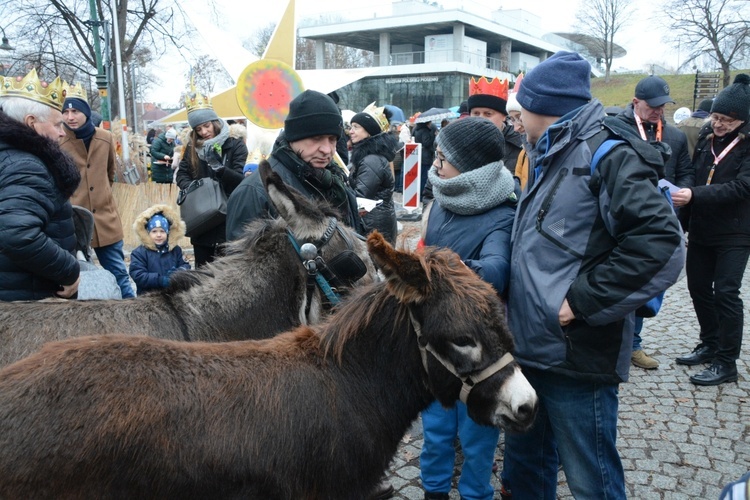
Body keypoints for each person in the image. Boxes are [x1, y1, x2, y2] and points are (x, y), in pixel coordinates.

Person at [503, 51, 684, 499]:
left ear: (540, 106)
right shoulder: (546, 150)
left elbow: (661, 245)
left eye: (520, 106)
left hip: (578, 357)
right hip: (529, 351)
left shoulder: (608, 154)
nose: (516, 115)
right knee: (525, 475)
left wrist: (579, 303)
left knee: (592, 482)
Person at [418, 117, 518, 500]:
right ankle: (434, 491)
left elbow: (496, 270)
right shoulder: (441, 200)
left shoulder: (503, 213)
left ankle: (477, 493)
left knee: (478, 435)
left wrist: (442, 267)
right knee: (436, 429)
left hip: (481, 351)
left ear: (470, 164)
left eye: (443, 156)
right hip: (438, 342)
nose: (436, 163)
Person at [673, 74, 750, 386]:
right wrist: (682, 221)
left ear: (742, 120)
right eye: (716, 117)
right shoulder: (707, 137)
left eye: (726, 120)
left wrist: (695, 195)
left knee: (727, 293)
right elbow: (694, 175)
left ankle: (726, 361)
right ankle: (710, 342)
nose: (718, 124)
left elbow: (742, 186)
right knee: (699, 288)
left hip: (736, 231)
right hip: (703, 228)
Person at [614, 74, 694, 370]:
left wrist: (685, 191)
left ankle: (633, 344)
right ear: (636, 102)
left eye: (664, 105)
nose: (659, 111)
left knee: (648, 286)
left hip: (660, 221)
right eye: (653, 106)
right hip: (625, 220)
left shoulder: (674, 136)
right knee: (624, 280)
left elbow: (685, 170)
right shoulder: (617, 129)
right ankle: (619, 344)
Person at [225, 90, 362, 241]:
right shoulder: (254, 192)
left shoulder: (334, 180)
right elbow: (244, 261)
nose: (327, 149)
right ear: (293, 137)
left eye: (332, 139)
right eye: (316, 138)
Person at [0, 69, 81, 301]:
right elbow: (17, 234)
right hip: (26, 300)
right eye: (57, 125)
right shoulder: (25, 165)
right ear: (32, 123)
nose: (62, 133)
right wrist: (69, 271)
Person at [59, 83, 135, 299]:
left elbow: (109, 173)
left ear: (86, 112)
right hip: (73, 221)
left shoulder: (105, 138)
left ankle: (132, 313)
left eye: (75, 111)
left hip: (105, 219)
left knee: (119, 272)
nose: (70, 116)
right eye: (65, 111)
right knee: (78, 277)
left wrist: (101, 195)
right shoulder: (59, 141)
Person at [175, 86, 247, 267]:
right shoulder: (193, 148)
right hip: (202, 218)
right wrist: (194, 188)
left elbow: (240, 180)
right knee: (202, 272)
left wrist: (220, 168)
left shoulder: (235, 145)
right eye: (198, 129)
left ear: (214, 122)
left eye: (206, 126)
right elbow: (182, 173)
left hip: (228, 216)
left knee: (227, 271)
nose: (204, 132)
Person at [347, 102, 398, 244]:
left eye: (356, 127)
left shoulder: (371, 160)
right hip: (375, 222)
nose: (351, 131)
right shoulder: (369, 156)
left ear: (369, 132)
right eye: (351, 127)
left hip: (373, 225)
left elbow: (361, 198)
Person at [129, 204, 191, 294]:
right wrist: (160, 280)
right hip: (148, 297)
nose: (158, 235)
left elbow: (186, 266)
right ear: (147, 232)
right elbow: (138, 275)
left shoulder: (175, 250)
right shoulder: (139, 253)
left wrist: (179, 272)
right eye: (154, 231)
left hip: (172, 295)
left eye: (162, 231)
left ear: (168, 233)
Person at [468, 77, 523, 173]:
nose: (481, 119)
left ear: (504, 116)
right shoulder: (460, 144)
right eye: (476, 113)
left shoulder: (521, 144)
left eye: (488, 114)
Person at [413, 118, 436, 197]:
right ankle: (422, 194)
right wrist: (433, 136)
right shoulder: (425, 131)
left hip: (419, 155)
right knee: (424, 176)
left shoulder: (416, 130)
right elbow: (426, 143)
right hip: (425, 156)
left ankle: (418, 194)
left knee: (419, 175)